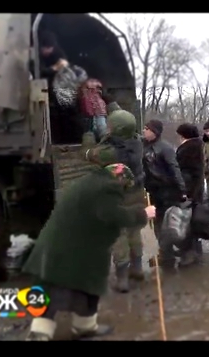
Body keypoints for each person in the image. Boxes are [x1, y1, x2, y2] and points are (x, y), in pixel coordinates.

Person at [22, 164, 156, 341]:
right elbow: (110, 214)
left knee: (63, 286)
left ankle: (79, 327)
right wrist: (143, 214)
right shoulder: (108, 187)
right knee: (66, 286)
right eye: (125, 187)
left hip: (60, 245)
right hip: (73, 250)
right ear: (121, 179)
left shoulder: (89, 181)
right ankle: (43, 334)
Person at [84, 101, 146, 293]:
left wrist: (88, 136)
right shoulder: (137, 143)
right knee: (134, 232)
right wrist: (113, 106)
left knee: (119, 235)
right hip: (136, 194)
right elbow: (123, 127)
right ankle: (137, 269)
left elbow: (87, 154)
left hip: (117, 198)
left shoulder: (108, 152)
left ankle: (122, 278)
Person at [142, 119, 186, 266]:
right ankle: (165, 253)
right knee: (157, 224)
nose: (144, 131)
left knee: (168, 224)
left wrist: (181, 190)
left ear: (155, 132)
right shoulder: (144, 147)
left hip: (167, 191)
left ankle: (176, 252)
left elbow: (174, 169)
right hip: (152, 191)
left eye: (147, 129)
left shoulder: (165, 148)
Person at [175, 123, 204, 267]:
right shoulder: (197, 146)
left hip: (189, 190)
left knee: (187, 221)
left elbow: (185, 173)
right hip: (196, 189)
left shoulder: (188, 149)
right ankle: (195, 251)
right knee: (192, 219)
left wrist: (184, 192)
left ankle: (190, 254)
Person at [79, 78, 108, 143]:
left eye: (98, 88)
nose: (97, 90)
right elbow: (86, 107)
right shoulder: (86, 97)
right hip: (90, 116)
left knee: (101, 129)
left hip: (98, 115)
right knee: (91, 132)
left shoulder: (99, 98)